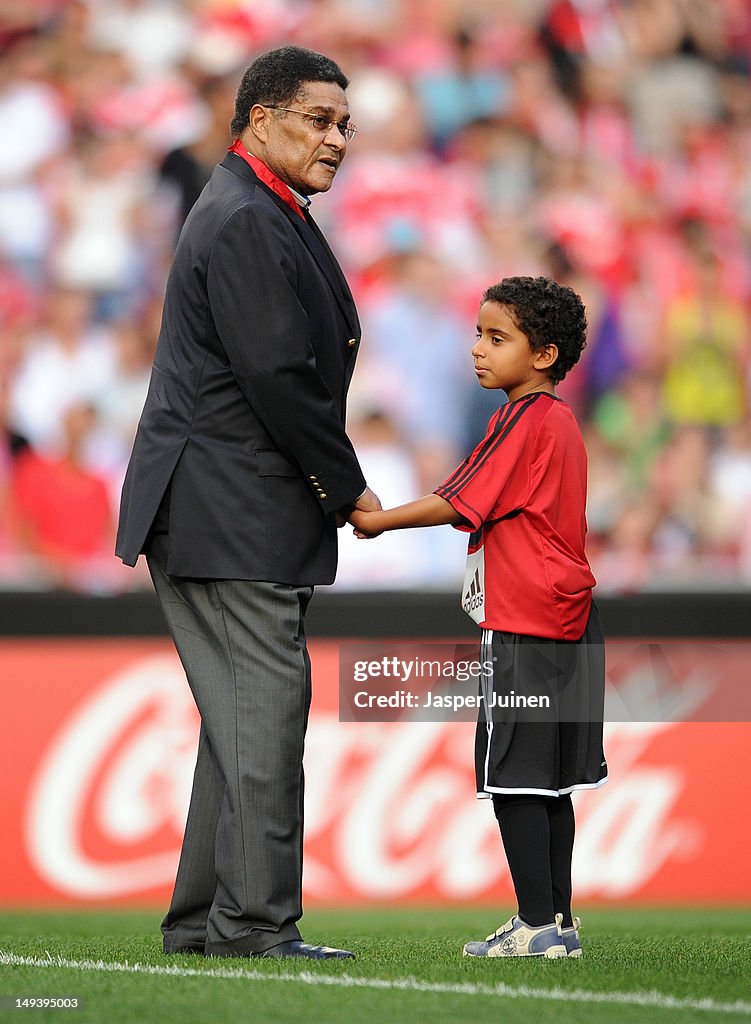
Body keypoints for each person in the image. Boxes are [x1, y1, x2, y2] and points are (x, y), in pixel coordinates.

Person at [116, 45, 380, 960]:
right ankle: (257, 926)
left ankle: (202, 920)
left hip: (216, 508)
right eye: (318, 118)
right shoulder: (242, 217)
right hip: (229, 513)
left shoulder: (259, 209)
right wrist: (348, 489)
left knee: (238, 725)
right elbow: (277, 372)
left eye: (345, 123)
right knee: (265, 717)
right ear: (259, 117)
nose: (336, 138)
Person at [350, 276, 607, 958]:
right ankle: (557, 922)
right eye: (476, 334)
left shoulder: (523, 419)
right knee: (550, 783)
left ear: (544, 355)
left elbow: (458, 499)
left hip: (525, 620)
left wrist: (376, 521)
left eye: (497, 338)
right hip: (570, 619)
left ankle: (531, 925)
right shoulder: (559, 420)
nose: (477, 350)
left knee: (516, 779)